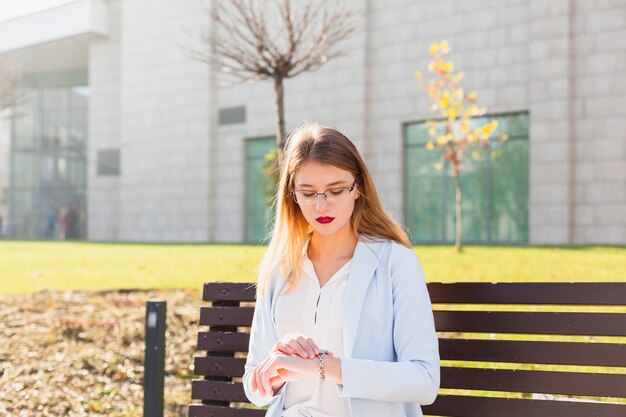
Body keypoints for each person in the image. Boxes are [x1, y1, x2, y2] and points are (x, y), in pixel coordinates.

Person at [243, 123, 440, 417]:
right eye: (307, 193)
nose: (322, 205)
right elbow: (253, 387)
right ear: (292, 196)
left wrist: (321, 366)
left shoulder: (394, 262)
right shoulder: (281, 268)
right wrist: (276, 365)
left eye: (335, 190)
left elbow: (424, 381)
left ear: (357, 187)